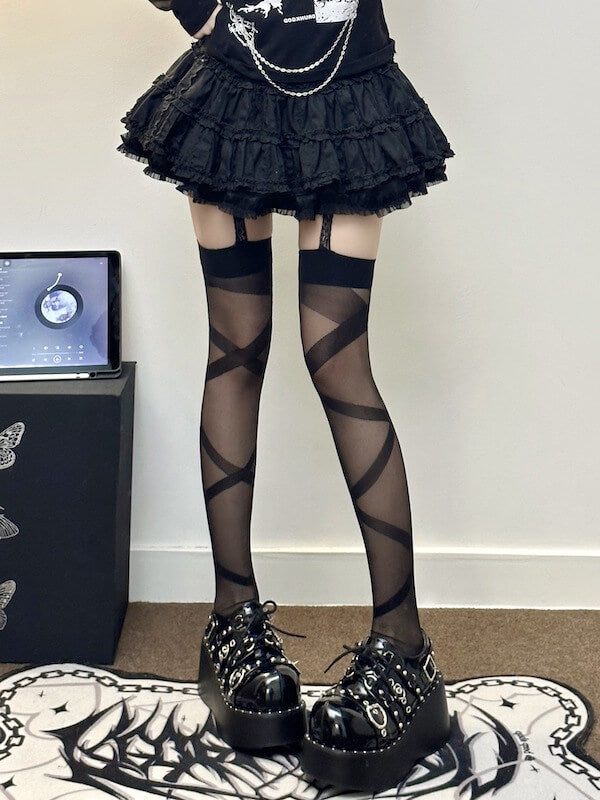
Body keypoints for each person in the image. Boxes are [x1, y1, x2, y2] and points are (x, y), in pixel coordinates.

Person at [117, 0, 455, 791]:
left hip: (350, 88)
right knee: (237, 346)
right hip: (232, 90)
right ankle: (232, 623)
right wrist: (198, 13)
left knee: (336, 359)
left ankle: (404, 649)